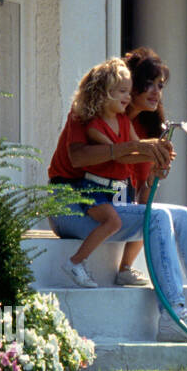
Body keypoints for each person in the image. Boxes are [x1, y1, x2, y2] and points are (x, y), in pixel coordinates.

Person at [46, 50, 187, 343]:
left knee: (182, 214)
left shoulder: (132, 126)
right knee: (158, 216)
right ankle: (173, 317)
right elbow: (78, 157)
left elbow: (140, 199)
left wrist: (155, 171)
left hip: (111, 206)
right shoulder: (87, 114)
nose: (155, 92)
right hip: (71, 204)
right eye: (144, 85)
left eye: (160, 86)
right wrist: (134, 150)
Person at [48, 59, 131, 287]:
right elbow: (84, 156)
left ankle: (126, 268)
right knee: (115, 221)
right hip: (70, 190)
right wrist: (130, 151)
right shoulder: (82, 118)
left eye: (129, 92)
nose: (128, 97)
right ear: (104, 93)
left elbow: (129, 151)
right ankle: (76, 262)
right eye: (123, 91)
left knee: (147, 216)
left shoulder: (121, 120)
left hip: (97, 188)